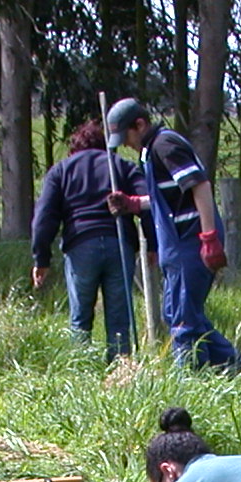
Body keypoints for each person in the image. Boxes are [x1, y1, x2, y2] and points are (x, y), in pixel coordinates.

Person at [104, 98, 241, 377]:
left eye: (126, 137)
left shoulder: (165, 145)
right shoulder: (150, 151)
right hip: (176, 245)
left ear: (139, 125)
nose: (126, 145)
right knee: (177, 313)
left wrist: (209, 237)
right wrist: (133, 204)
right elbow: (169, 198)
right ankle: (239, 367)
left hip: (190, 241)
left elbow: (199, 185)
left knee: (183, 320)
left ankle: (188, 381)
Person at [30, 118, 148, 363]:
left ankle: (81, 368)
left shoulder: (61, 171)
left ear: (74, 148)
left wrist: (41, 259)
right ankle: (121, 369)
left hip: (80, 245)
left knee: (80, 318)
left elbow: (44, 218)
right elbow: (148, 202)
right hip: (118, 243)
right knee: (119, 319)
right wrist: (153, 245)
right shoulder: (121, 166)